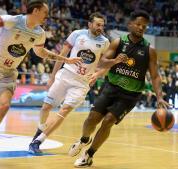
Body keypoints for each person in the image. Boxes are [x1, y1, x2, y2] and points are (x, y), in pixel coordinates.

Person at [0, 0, 81, 166]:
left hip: (8, 72)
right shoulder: (13, 20)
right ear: (35, 11)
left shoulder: (40, 33)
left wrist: (66, 59)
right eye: (45, 12)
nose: (47, 17)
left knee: (4, 106)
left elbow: (41, 52)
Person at [68, 10, 169, 168]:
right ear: (130, 25)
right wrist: (115, 60)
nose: (141, 28)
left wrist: (160, 97)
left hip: (130, 95)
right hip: (110, 87)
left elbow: (155, 76)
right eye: (138, 24)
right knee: (92, 119)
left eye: (144, 26)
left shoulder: (150, 50)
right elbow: (101, 63)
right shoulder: (117, 43)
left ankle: (89, 155)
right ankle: (84, 140)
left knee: (108, 121)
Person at [28, 12, 111, 154]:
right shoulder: (77, 34)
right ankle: (40, 130)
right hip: (65, 75)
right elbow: (62, 55)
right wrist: (53, 76)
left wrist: (97, 75)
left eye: (102, 25)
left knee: (64, 111)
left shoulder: (105, 42)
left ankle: (38, 141)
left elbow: (106, 64)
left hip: (82, 83)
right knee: (46, 107)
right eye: (97, 24)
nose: (100, 28)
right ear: (89, 24)